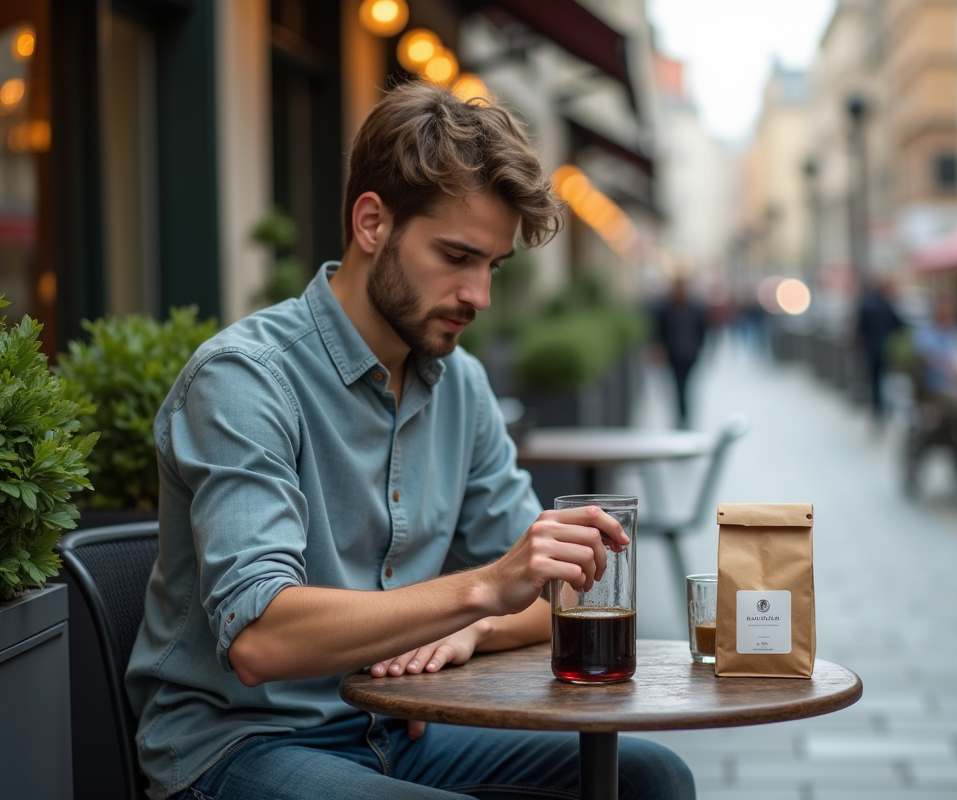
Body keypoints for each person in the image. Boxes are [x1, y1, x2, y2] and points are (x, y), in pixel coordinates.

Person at [125, 82, 695, 800]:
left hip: (403, 729)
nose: (479, 296)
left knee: (652, 777)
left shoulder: (463, 386)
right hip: (244, 743)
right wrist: (481, 590)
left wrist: (474, 629)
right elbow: (260, 639)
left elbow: (546, 594)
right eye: (456, 256)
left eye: (492, 266)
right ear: (372, 223)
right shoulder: (245, 379)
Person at [653, 275, 708, 428]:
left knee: (685, 387)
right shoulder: (667, 309)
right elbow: (660, 331)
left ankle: (683, 417)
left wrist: (698, 348)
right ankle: (682, 417)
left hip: (689, 355)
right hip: (675, 355)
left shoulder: (693, 308)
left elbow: (702, 330)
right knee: (679, 387)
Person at [855, 277, 904, 420]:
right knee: (884, 378)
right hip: (886, 349)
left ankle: (877, 406)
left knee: (874, 379)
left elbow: (861, 327)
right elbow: (899, 325)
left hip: (870, 348)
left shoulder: (868, 306)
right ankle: (882, 406)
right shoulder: (887, 307)